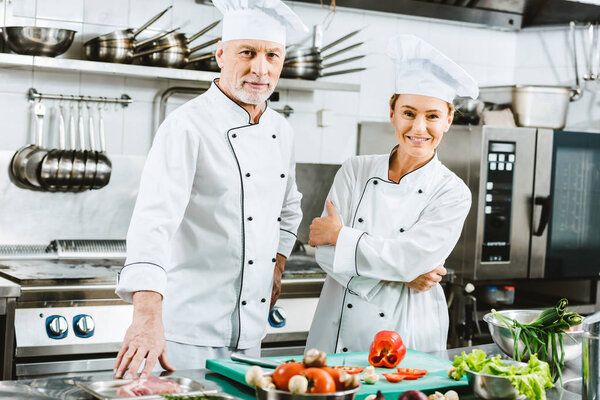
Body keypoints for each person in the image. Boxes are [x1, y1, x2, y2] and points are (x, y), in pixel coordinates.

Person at [113, 0, 307, 378]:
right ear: (221, 55)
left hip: (252, 332)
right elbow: (154, 221)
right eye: (247, 53)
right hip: (186, 335)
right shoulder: (187, 125)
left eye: (273, 55)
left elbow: (289, 208)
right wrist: (147, 315)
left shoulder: (282, 130)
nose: (260, 69)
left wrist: (278, 264)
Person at [305, 34, 478, 353]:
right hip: (338, 328)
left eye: (433, 116)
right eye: (409, 113)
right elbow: (324, 253)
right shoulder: (355, 170)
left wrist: (341, 237)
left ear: (449, 119)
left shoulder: (452, 192)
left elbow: (414, 260)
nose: (419, 128)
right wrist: (402, 275)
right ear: (392, 113)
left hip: (408, 331)